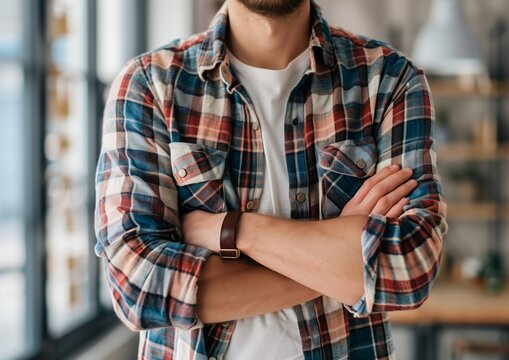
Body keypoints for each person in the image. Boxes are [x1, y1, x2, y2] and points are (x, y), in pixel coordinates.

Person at [94, 0, 448, 359]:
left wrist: (236, 230)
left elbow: (409, 267)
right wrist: (339, 266)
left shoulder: (389, 79)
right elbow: (138, 286)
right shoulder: (150, 84)